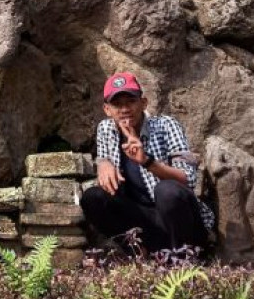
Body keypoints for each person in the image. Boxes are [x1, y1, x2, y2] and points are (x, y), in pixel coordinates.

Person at [80, 72, 214, 254]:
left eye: (130, 101)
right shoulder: (106, 129)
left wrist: (147, 161)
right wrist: (103, 163)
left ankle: (185, 257)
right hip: (144, 222)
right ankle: (139, 253)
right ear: (107, 109)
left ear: (143, 103)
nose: (125, 109)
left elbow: (188, 179)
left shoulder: (166, 125)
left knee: (166, 191)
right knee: (93, 198)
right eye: (117, 104)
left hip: (180, 223)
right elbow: (104, 164)